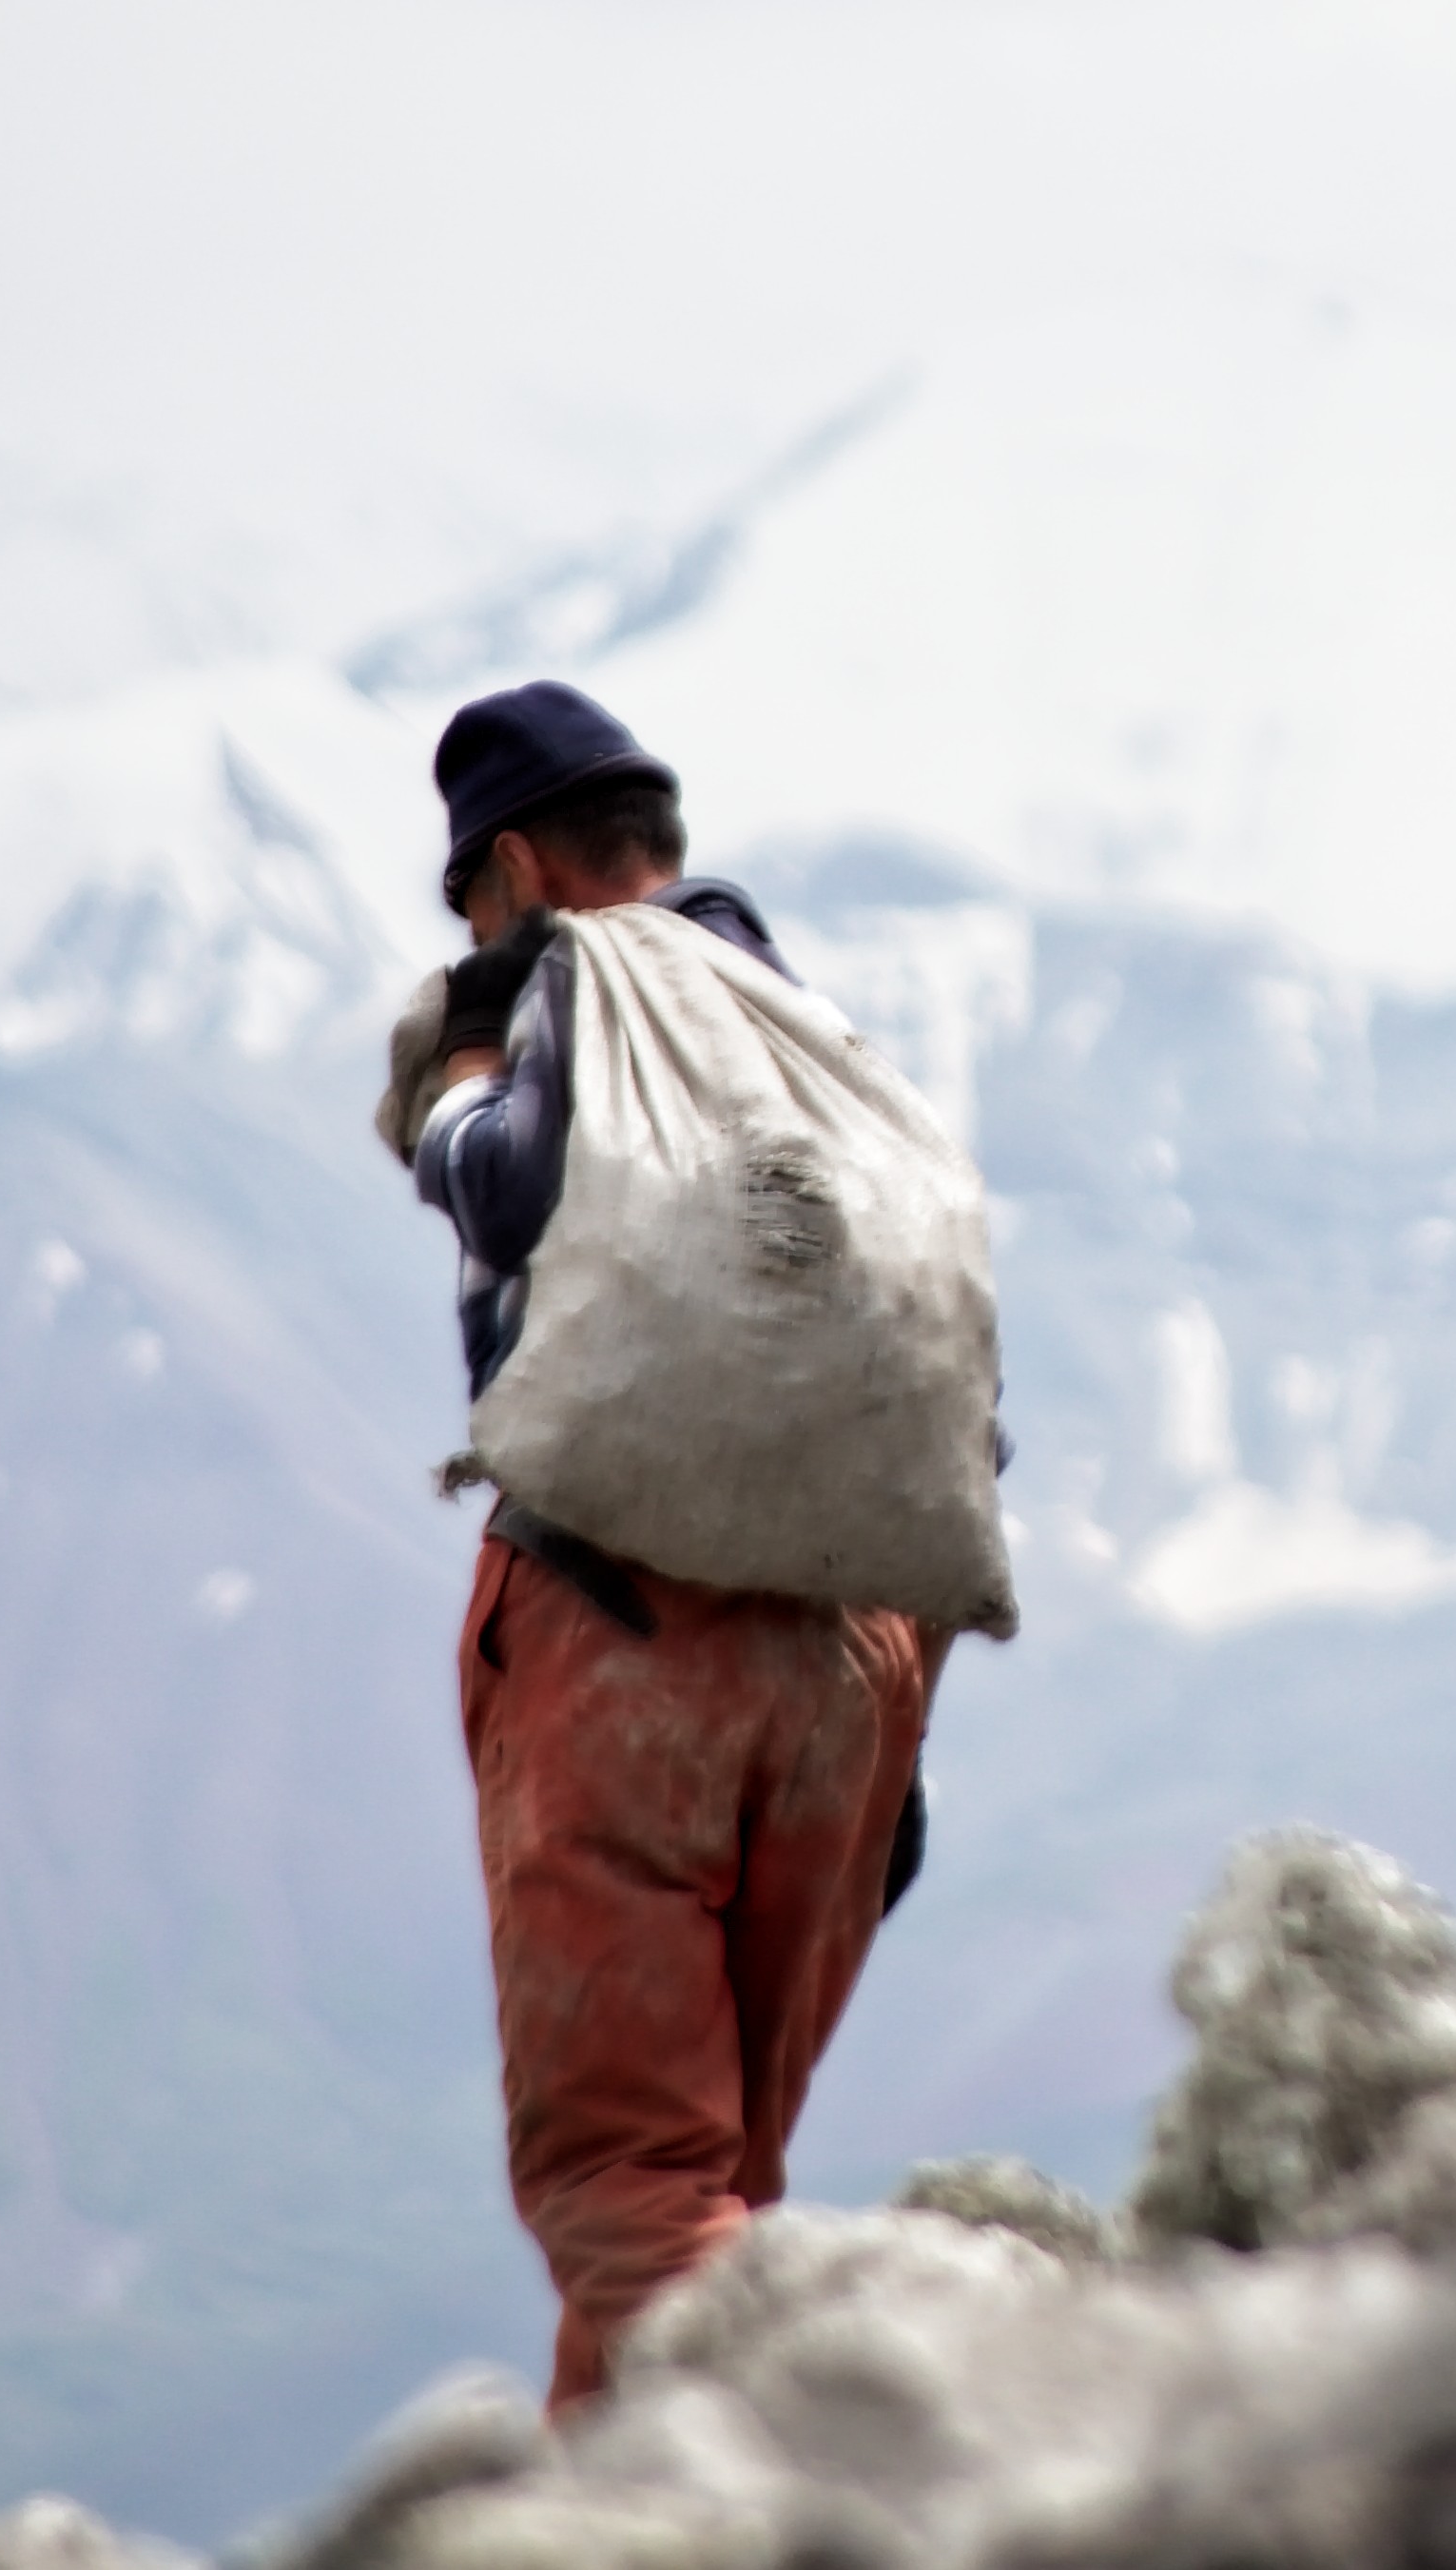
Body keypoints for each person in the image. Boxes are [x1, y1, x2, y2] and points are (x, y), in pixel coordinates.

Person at [371, 678, 940, 2409]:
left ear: (519, 866)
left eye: (466, 900)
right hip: (853, 1651)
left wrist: (465, 1064)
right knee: (720, 2185)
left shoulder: (575, 988)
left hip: (622, 1630)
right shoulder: (797, 1018)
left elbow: (507, 1182)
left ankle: (717, 2513)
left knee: (628, 2183)